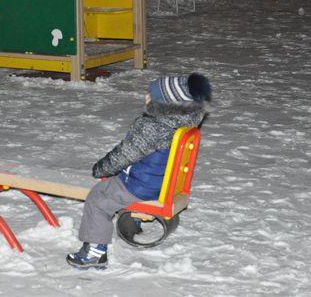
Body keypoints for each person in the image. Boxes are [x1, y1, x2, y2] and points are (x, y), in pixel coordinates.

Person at [66, 73, 212, 270]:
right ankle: (131, 223)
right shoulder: (185, 124)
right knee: (116, 184)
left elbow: (124, 154)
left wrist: (101, 168)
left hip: (141, 185)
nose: (146, 97)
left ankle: (94, 252)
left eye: (151, 95)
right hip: (166, 184)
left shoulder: (152, 127)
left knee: (98, 199)